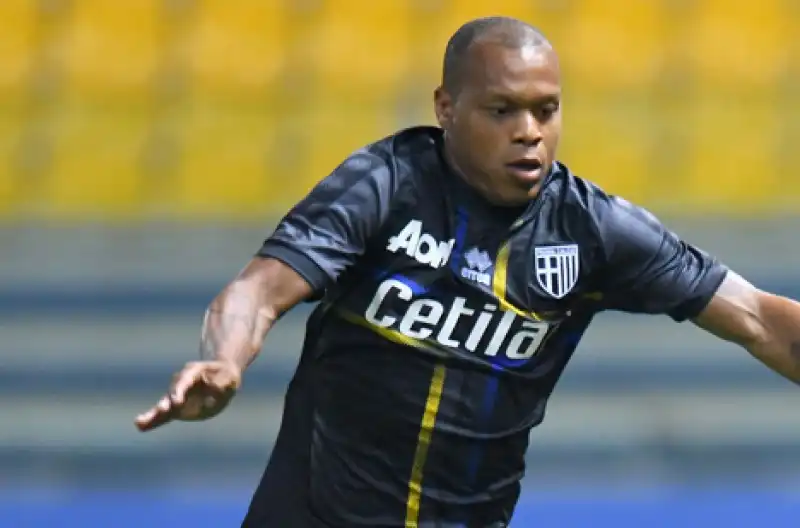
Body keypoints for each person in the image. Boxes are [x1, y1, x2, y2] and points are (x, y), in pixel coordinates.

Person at [135, 16, 800, 528]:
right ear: (446, 107)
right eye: (502, 110)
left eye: (546, 109)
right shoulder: (383, 187)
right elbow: (259, 289)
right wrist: (225, 359)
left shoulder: (593, 229)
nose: (529, 131)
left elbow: (758, 319)